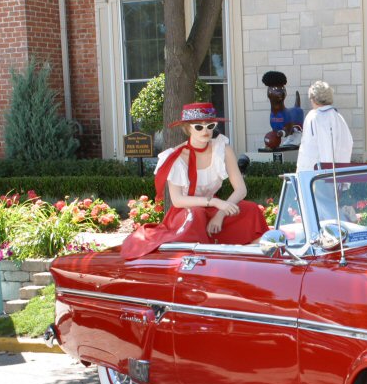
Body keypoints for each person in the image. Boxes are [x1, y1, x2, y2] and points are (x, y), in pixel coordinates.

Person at [120, 103, 270, 259]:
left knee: (251, 209)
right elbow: (178, 200)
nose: (205, 131)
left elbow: (241, 190)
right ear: (188, 128)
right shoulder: (175, 156)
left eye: (210, 126)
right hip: (187, 211)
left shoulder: (223, 149)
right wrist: (215, 203)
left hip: (214, 208)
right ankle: (200, 256)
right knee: (197, 213)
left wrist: (220, 213)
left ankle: (248, 252)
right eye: (199, 127)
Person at [296, 80, 354, 173]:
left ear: (313, 99)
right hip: (338, 176)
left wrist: (327, 174)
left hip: (316, 177)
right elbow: (348, 144)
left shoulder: (314, 117)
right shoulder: (339, 118)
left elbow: (324, 147)